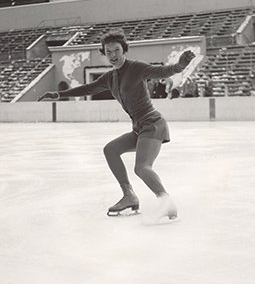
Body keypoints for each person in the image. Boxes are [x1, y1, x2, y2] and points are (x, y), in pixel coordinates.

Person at [38, 29, 195, 223]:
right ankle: (129, 195)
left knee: (142, 167)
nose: (113, 55)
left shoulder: (136, 68)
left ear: (124, 50)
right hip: (139, 128)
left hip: (152, 124)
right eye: (108, 51)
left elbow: (162, 71)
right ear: (104, 53)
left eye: (117, 50)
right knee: (110, 150)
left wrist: (179, 65)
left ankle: (166, 201)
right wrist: (58, 94)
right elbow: (88, 88)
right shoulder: (110, 78)